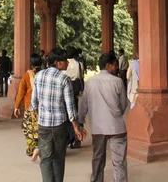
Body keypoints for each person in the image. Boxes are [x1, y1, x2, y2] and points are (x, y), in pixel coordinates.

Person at [30, 48, 86, 182]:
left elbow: (33, 104)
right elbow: (70, 108)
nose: (67, 62)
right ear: (57, 62)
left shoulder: (38, 76)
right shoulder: (64, 79)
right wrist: (76, 127)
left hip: (44, 126)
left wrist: (40, 118)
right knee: (59, 159)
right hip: (59, 126)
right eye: (64, 60)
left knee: (46, 159)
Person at [78, 52, 129, 182]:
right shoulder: (118, 82)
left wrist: (80, 121)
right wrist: (115, 114)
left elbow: (84, 105)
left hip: (98, 127)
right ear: (108, 65)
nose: (116, 68)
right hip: (116, 126)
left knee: (97, 159)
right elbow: (123, 105)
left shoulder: (89, 82)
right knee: (119, 161)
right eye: (115, 65)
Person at [14, 54, 43, 159]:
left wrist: (16, 107)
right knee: (41, 130)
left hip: (30, 108)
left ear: (31, 65)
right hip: (43, 109)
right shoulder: (45, 74)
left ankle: (32, 148)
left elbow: (21, 92)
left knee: (29, 130)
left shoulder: (27, 76)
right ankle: (42, 148)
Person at [64, 46, 84, 115]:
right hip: (75, 86)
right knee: (74, 103)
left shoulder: (63, 64)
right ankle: (74, 117)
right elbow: (81, 76)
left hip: (65, 85)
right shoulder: (79, 64)